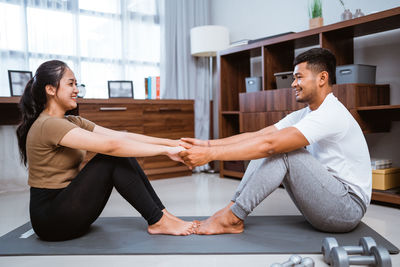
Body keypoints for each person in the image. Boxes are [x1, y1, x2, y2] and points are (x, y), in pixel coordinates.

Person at [179, 48, 371, 235]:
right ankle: (232, 209)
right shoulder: (307, 114)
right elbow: (261, 136)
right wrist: (208, 145)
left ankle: (233, 217)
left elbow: (271, 144)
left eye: (299, 77)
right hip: (329, 199)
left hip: (347, 209)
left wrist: (210, 156)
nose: (293, 84)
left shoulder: (331, 113)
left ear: (322, 78)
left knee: (282, 149)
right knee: (267, 143)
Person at [16, 60, 194, 241]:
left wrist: (172, 143)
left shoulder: (71, 121)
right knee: (113, 157)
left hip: (69, 206)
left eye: (76, 84)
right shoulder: (48, 124)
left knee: (119, 152)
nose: (76, 89)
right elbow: (113, 146)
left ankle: (162, 215)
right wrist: (165, 151)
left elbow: (121, 137)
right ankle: (158, 220)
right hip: (51, 221)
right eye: (71, 84)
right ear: (51, 89)